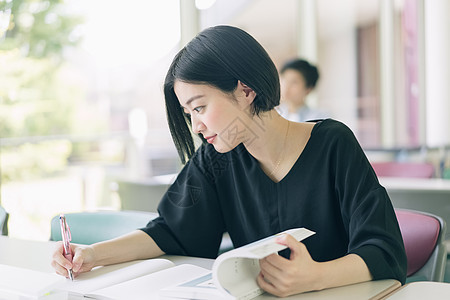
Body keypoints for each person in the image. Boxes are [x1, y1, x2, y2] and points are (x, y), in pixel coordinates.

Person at [51, 25, 406, 297]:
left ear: (246, 90)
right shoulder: (215, 159)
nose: (197, 126)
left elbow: (383, 250)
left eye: (201, 107)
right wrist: (92, 255)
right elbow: (171, 231)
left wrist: (314, 276)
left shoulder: (333, 144)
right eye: (189, 113)